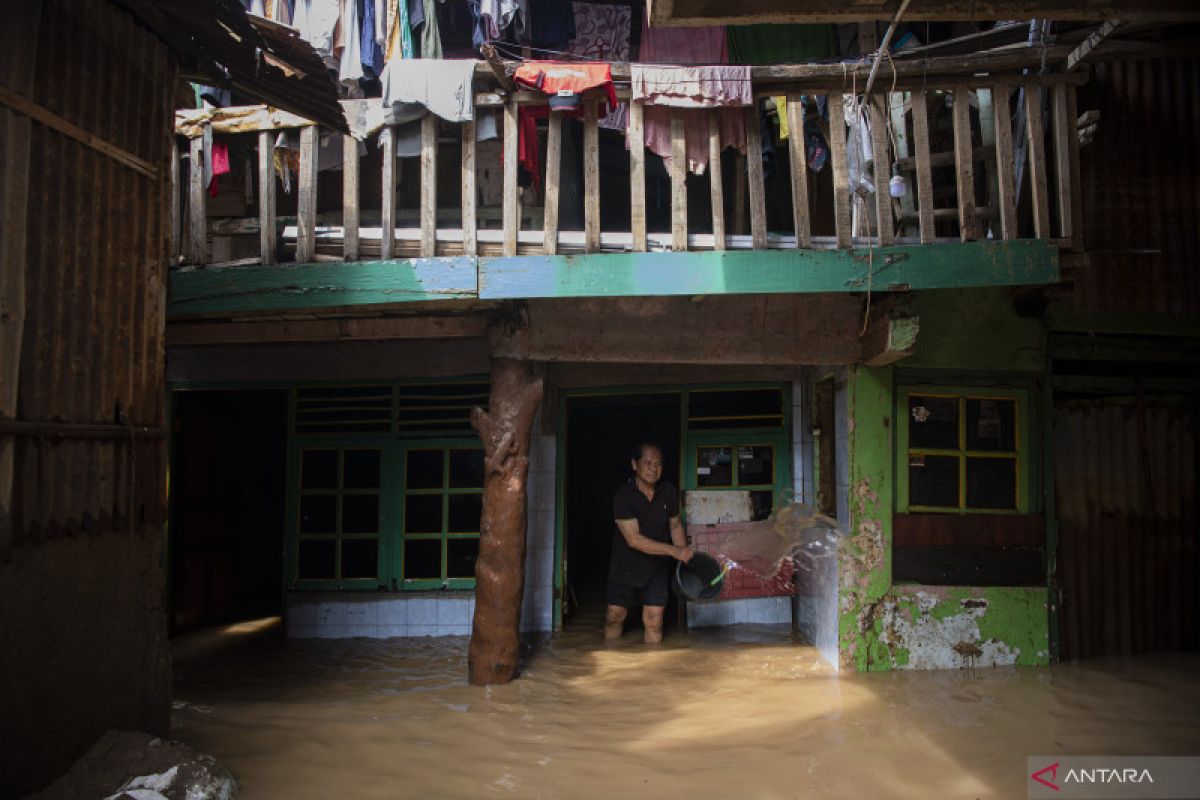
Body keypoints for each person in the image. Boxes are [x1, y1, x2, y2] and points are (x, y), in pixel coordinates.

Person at [605, 443, 694, 643]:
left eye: (658, 464)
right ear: (634, 465)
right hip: (625, 566)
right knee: (615, 616)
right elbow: (633, 540)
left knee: (654, 621)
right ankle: (611, 656)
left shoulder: (669, 492)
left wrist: (682, 558)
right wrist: (674, 551)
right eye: (648, 463)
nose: (654, 468)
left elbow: (675, 526)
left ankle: (654, 668)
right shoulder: (623, 496)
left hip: (656, 567)